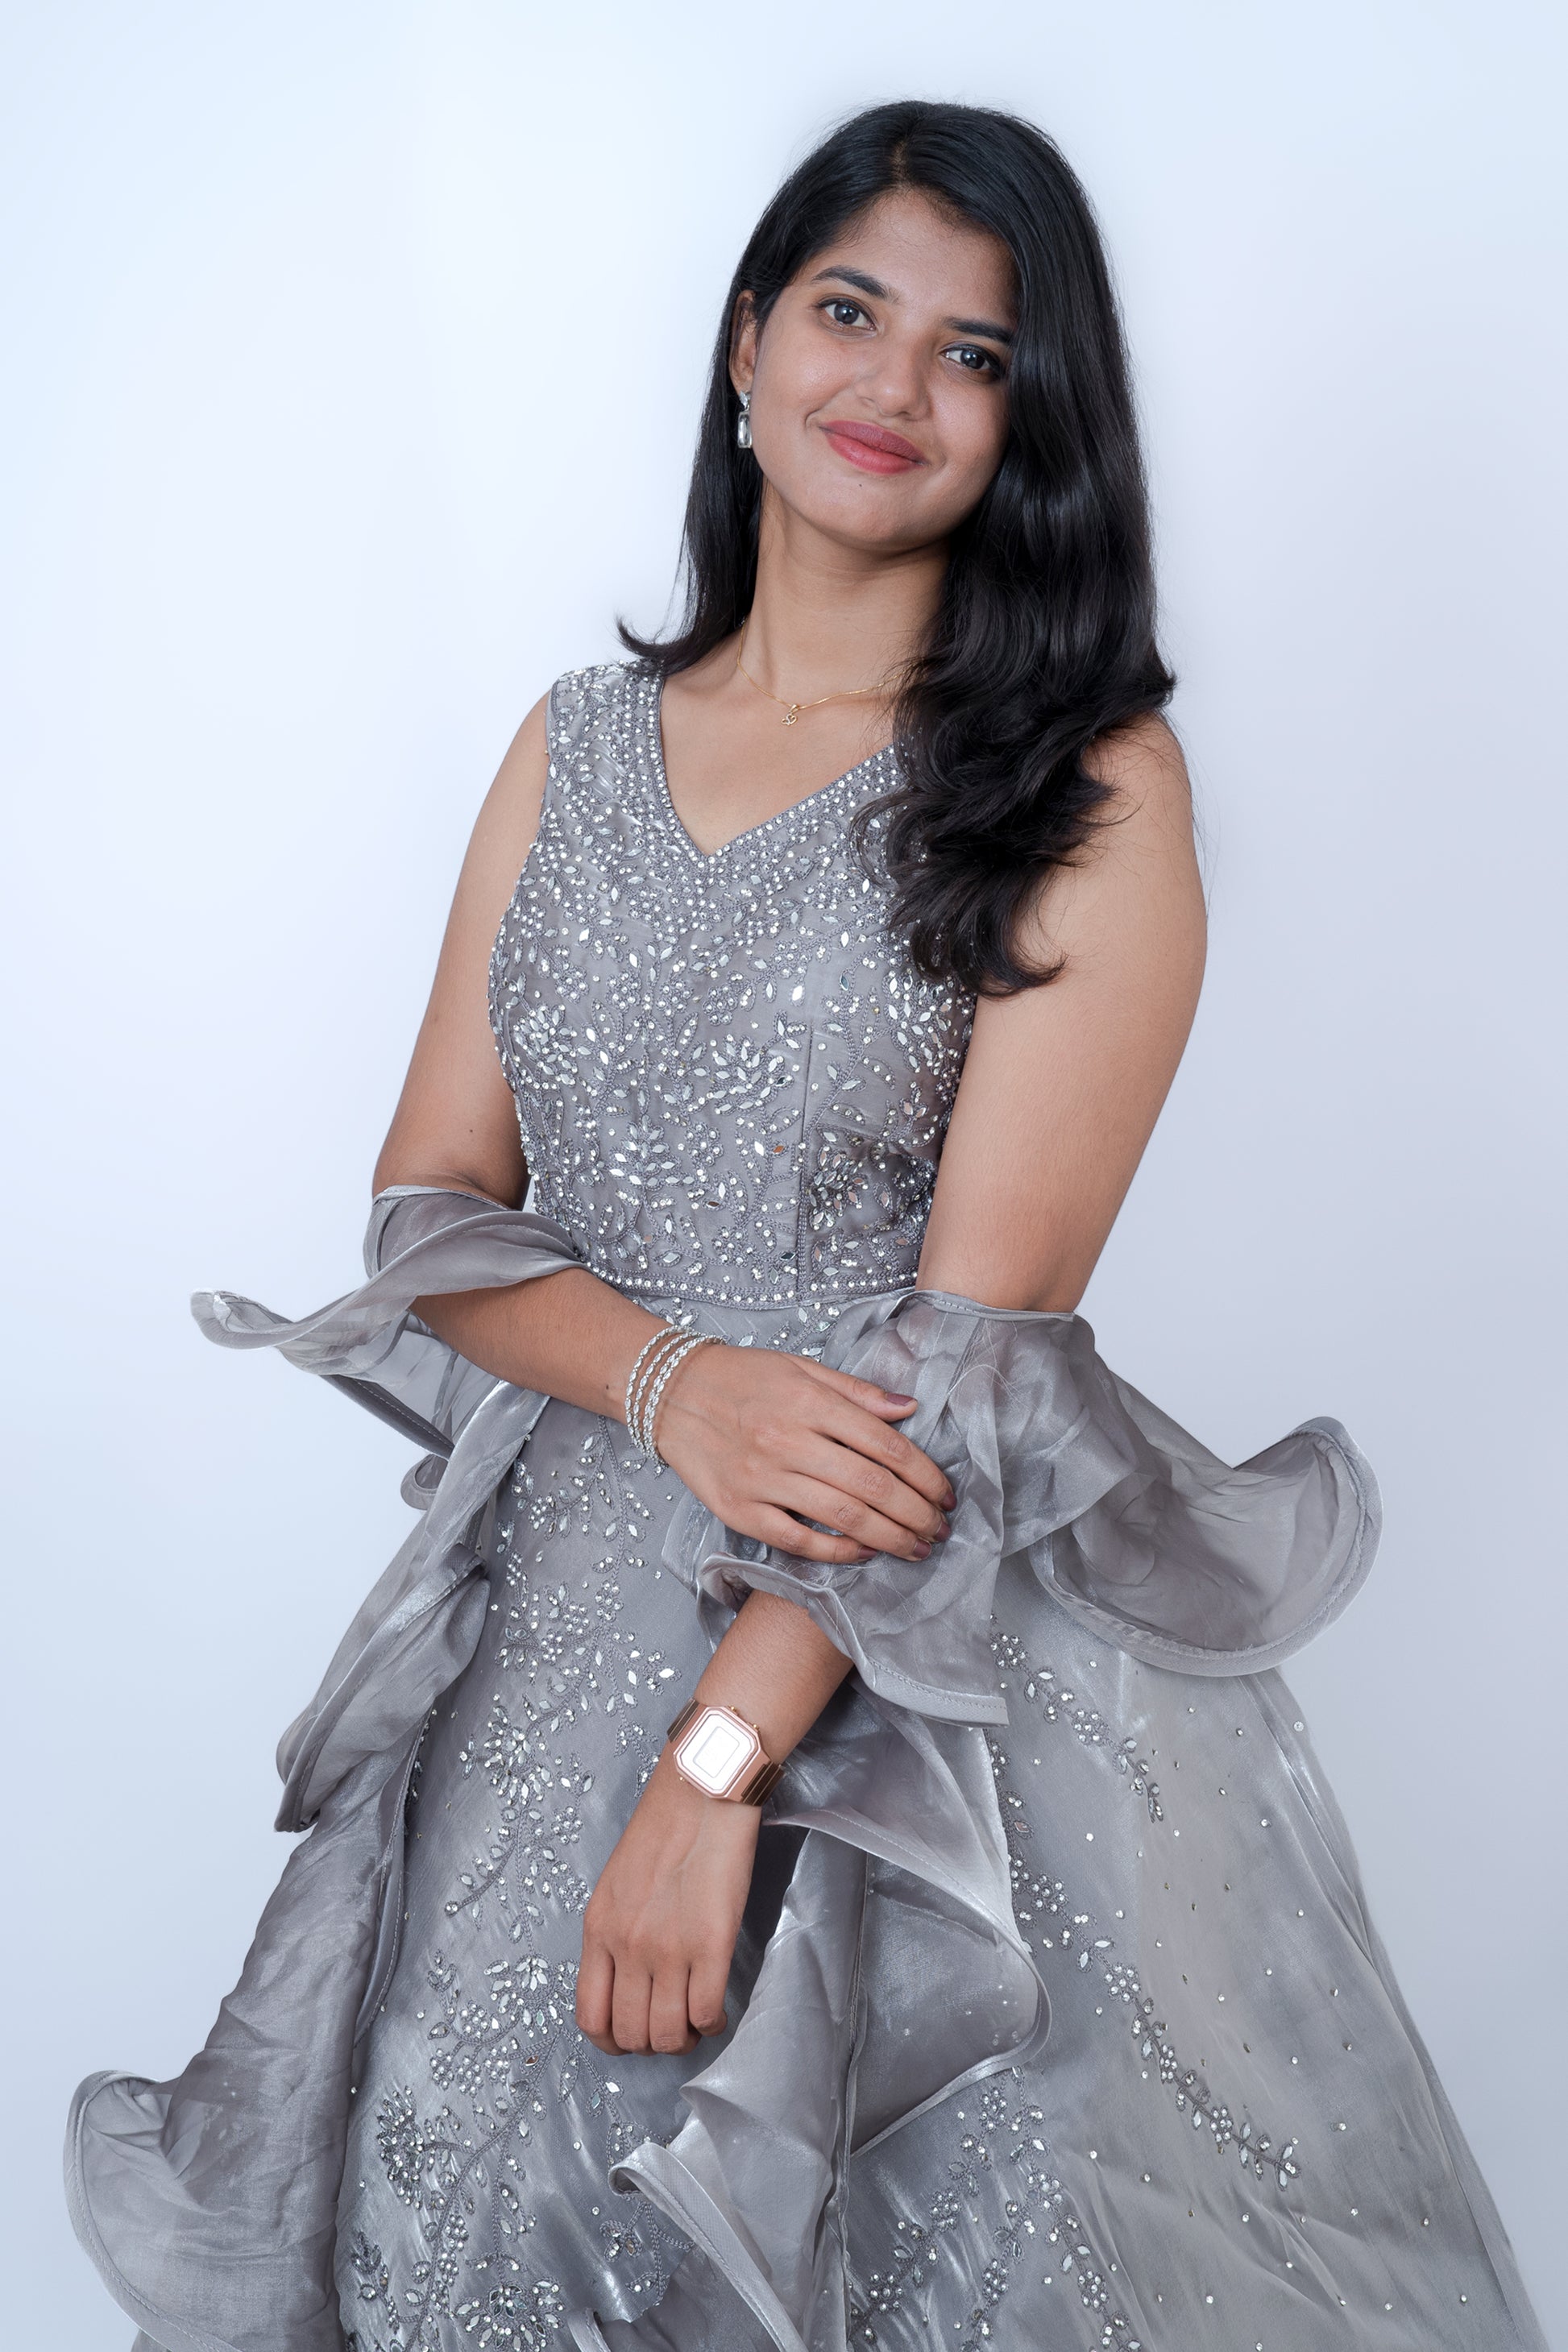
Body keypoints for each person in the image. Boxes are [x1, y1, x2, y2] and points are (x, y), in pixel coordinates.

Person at [66, 99, 1545, 2352]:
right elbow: (426, 1203)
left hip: (882, 1678)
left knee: (823, 2248)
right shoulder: (572, 742)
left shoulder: (1081, 781)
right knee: (462, 2228)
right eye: (850, 312)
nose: (891, 385)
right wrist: (674, 1379)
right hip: (544, 1619)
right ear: (748, 345)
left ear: (1028, 427)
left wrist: (720, 1766)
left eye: (973, 355)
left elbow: (982, 1356)